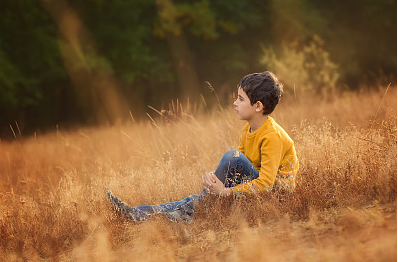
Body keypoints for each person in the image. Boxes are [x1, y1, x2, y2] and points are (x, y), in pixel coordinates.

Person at [107, 71, 299, 223]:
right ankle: (140, 213)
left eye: (240, 99)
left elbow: (266, 184)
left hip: (276, 198)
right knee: (202, 195)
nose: (235, 103)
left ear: (257, 106)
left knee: (230, 159)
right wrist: (213, 179)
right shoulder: (248, 130)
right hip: (255, 190)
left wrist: (225, 192)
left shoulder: (271, 135)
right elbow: (239, 168)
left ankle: (174, 213)